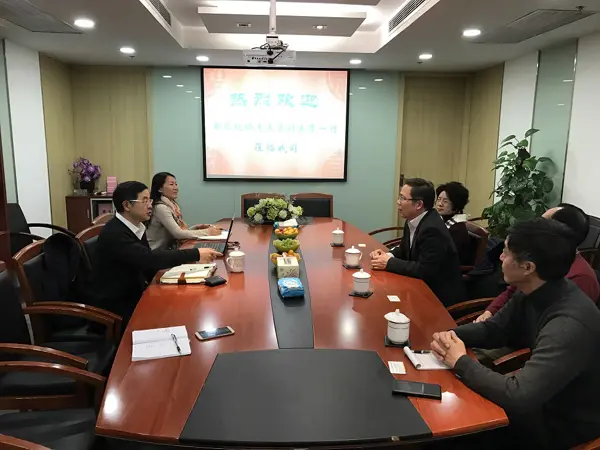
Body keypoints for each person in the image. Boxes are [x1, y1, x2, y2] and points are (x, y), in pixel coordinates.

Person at [430, 219, 600, 449]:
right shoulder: (535, 289)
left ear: (528, 267)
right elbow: (495, 329)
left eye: (507, 252)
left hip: (559, 424)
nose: (500, 257)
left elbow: (519, 396)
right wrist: (449, 334)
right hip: (537, 400)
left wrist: (460, 361)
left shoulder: (569, 323)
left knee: (448, 431)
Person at [91, 181, 222, 323]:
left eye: (150, 200)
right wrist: (194, 254)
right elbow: (148, 259)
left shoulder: (136, 226)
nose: (150, 206)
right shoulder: (115, 233)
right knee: (183, 315)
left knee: (189, 304)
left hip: (136, 292)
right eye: (144, 201)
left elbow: (147, 264)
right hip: (117, 309)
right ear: (127, 205)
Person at [475, 203, 599, 323]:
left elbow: (559, 326)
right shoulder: (541, 260)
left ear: (557, 233)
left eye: (541, 223)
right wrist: (490, 312)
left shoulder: (582, 278)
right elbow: (511, 292)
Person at [370, 178, 465, 306]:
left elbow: (425, 270)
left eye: (403, 198)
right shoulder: (413, 219)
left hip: (436, 298)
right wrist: (387, 255)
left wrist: (389, 263)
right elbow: (405, 249)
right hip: (418, 286)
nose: (398, 202)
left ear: (418, 205)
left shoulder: (432, 229)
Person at [147, 172, 220, 250]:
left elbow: (177, 232)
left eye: (176, 184)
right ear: (160, 189)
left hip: (168, 250)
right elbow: (178, 234)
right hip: (157, 252)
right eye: (171, 184)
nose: (176, 188)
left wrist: (196, 228)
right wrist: (207, 232)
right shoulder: (160, 208)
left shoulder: (173, 206)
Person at [435, 182, 472, 265]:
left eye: (445, 201)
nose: (440, 204)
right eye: (439, 199)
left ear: (456, 204)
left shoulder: (457, 229)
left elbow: (447, 257)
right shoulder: (441, 220)